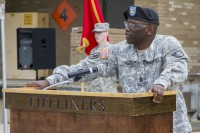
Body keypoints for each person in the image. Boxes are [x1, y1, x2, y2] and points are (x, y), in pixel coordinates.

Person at [27, 6, 191, 132]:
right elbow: (85, 67)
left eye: (133, 25)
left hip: (170, 125)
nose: (127, 28)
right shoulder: (118, 50)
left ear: (150, 29)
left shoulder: (167, 44)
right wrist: (50, 80)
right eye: (127, 24)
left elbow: (178, 65)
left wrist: (161, 83)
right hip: (135, 124)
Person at [28, 22, 117, 93]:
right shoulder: (93, 50)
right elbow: (85, 67)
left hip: (106, 90)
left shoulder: (111, 49)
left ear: (107, 33)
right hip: (93, 90)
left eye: (99, 32)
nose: (96, 35)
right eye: (95, 33)